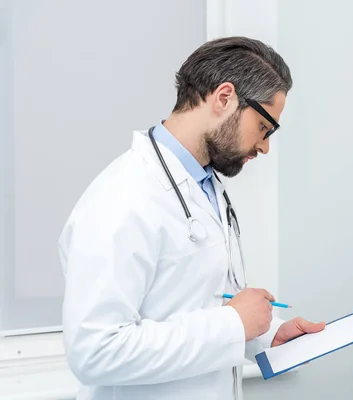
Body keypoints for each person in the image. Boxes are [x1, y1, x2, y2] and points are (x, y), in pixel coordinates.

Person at [58, 36, 325, 400]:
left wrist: (265, 334)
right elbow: (96, 350)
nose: (264, 146)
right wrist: (232, 324)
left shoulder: (203, 185)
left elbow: (193, 303)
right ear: (224, 97)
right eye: (264, 128)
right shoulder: (123, 197)